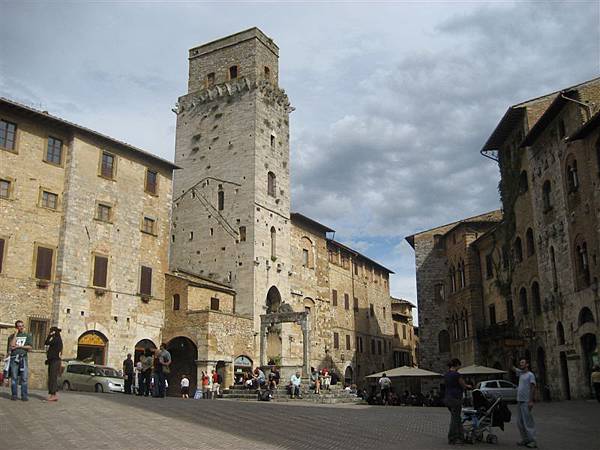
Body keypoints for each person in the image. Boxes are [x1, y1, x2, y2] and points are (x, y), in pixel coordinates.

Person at [444, 358, 472, 445]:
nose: (460, 367)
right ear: (456, 365)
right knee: (455, 419)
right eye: (459, 365)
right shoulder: (456, 374)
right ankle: (452, 438)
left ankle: (461, 436)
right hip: (455, 398)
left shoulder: (446, 374)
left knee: (457, 418)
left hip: (447, 398)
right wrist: (469, 386)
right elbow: (463, 385)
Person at [513, 358, 537, 448]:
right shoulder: (521, 373)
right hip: (519, 401)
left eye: (523, 363)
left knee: (528, 422)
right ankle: (525, 439)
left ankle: (533, 440)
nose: (521, 364)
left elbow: (533, 387)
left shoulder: (530, 375)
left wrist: (531, 401)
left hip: (526, 401)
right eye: (520, 363)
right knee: (519, 422)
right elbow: (512, 368)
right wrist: (509, 359)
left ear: (527, 364)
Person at [7, 320, 33, 401]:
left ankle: (24, 396)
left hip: (23, 358)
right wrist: (15, 334)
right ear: (16, 327)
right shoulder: (12, 336)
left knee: (24, 378)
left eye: (22, 326)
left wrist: (19, 347)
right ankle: (14, 395)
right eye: (19, 326)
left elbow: (30, 347)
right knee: (14, 377)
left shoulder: (27, 335)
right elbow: (11, 346)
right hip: (14, 358)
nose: (21, 327)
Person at [44, 326, 63, 402]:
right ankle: (53, 394)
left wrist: (50, 335)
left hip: (55, 361)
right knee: (52, 377)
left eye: (51, 331)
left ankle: (53, 395)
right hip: (53, 361)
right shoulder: (57, 339)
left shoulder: (57, 339)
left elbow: (46, 342)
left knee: (52, 378)